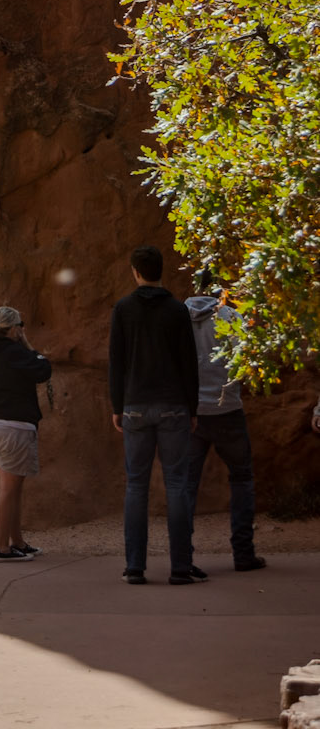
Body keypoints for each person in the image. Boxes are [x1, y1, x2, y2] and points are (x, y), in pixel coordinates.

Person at [109, 245, 200, 585]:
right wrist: (192, 408)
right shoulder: (177, 311)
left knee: (136, 485)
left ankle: (135, 567)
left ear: (135, 271)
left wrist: (117, 406)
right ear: (162, 270)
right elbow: (189, 363)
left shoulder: (123, 309)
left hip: (135, 405)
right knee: (177, 484)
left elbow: (116, 362)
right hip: (174, 404)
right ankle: (180, 567)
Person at [185, 292, 266, 572]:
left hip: (192, 414)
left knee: (185, 486)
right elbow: (246, 363)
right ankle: (243, 554)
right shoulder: (231, 317)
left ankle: (183, 556)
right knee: (241, 479)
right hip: (227, 410)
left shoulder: (178, 319)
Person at [0, 304, 52, 562]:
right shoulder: (16, 352)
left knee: (13, 487)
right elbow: (43, 369)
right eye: (22, 326)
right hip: (14, 426)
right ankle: (2, 548)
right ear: (15, 328)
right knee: (8, 489)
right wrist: (28, 345)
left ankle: (17, 542)